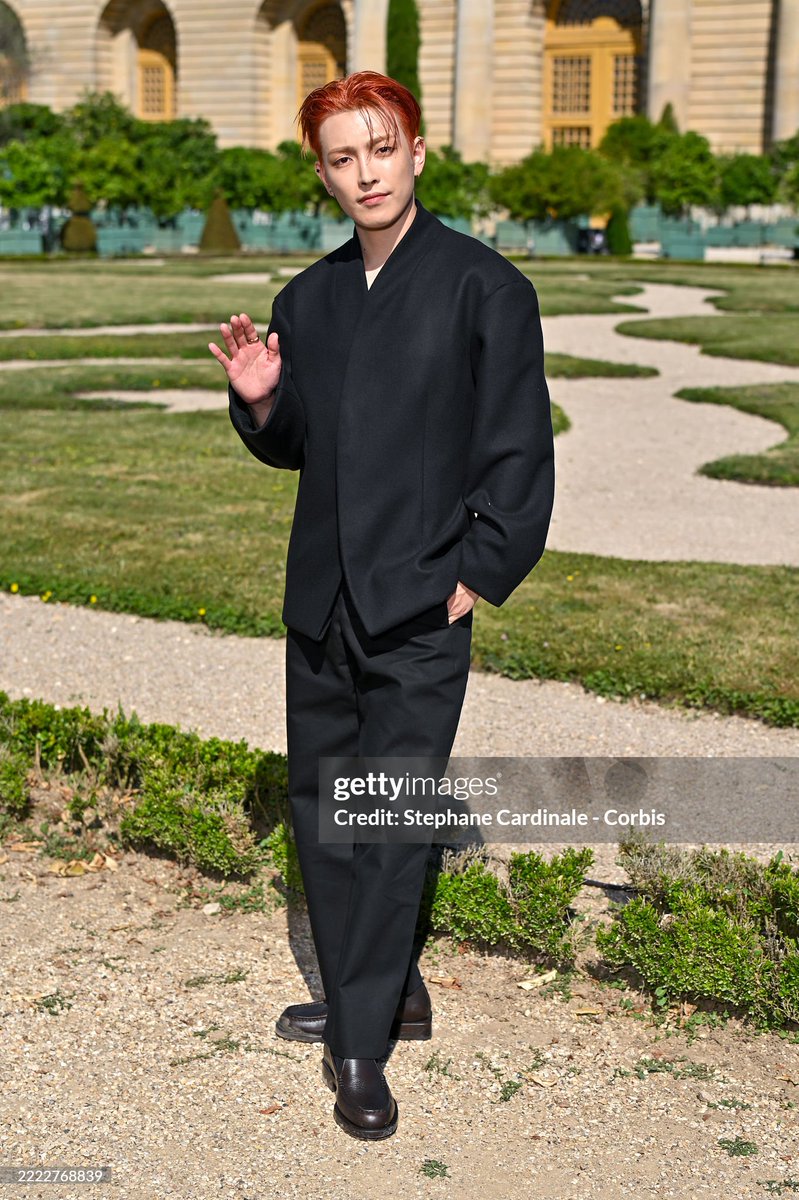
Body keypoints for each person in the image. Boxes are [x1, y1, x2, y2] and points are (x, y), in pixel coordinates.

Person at [208, 70, 555, 1142]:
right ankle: (386, 992)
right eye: (341, 157)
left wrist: (475, 575)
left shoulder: (483, 287)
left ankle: (361, 1044)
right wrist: (264, 400)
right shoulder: (306, 300)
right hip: (320, 605)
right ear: (322, 172)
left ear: (416, 151)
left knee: (392, 820)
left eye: (380, 148)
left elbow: (516, 455)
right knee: (324, 810)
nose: (364, 172)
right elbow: (304, 446)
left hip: (419, 609)